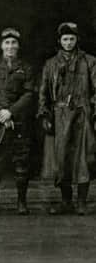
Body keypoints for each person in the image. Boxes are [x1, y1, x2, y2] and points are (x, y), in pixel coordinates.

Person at [38, 22, 96, 215]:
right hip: (60, 115)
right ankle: (66, 201)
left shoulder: (89, 61)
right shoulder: (51, 64)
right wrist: (44, 113)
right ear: (59, 41)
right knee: (62, 160)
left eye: (72, 38)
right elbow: (43, 92)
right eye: (65, 39)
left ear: (77, 39)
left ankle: (81, 202)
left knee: (83, 159)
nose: (69, 42)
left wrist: (93, 110)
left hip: (82, 114)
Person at [0, 28, 34, 215]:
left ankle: (21, 203)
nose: (10, 46)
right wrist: (0, 112)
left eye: (14, 43)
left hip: (18, 121)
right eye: (7, 43)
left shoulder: (26, 68)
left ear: (18, 46)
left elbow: (28, 94)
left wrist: (11, 112)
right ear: (1, 46)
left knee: (21, 163)